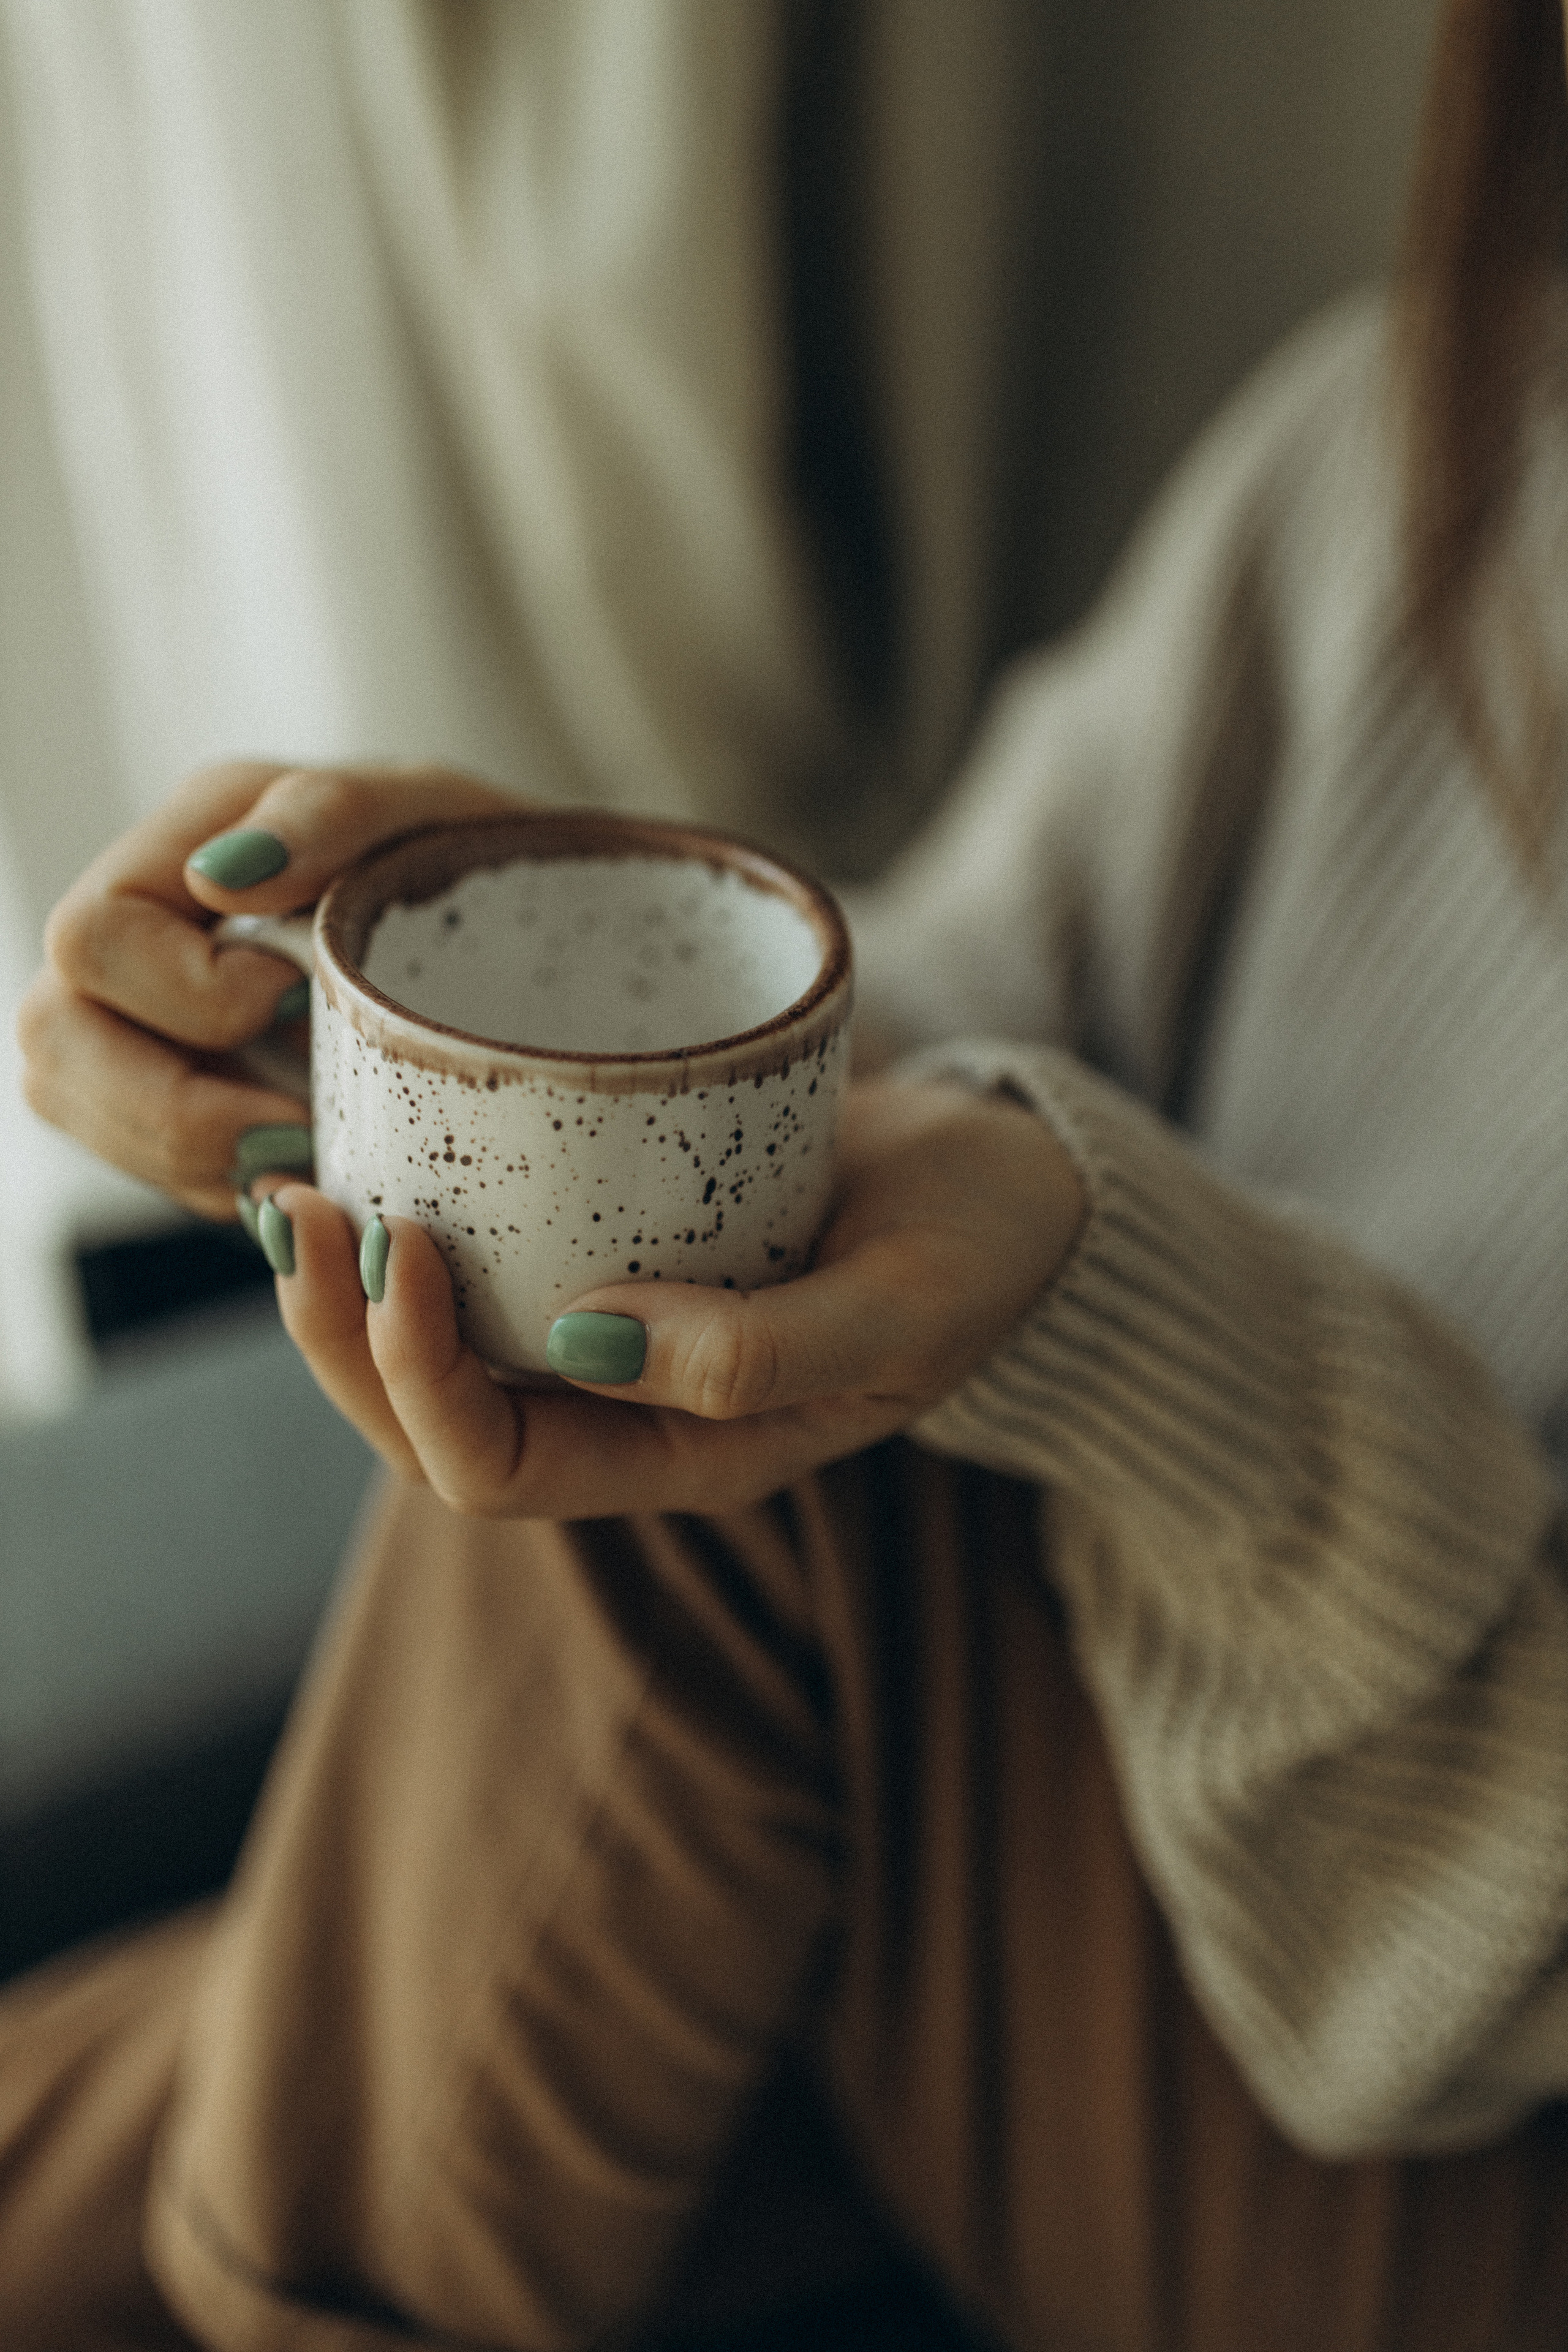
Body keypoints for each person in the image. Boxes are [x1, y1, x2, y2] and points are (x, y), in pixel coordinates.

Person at [8, 0, 1568, 2342]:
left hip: (1477, 2088)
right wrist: (428, 981)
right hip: (1094, 1846)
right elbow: (953, 1005)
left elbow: (993, 1182)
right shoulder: (1431, 447)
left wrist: (1117, 1317)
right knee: (212, 2048)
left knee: (733, 1466)